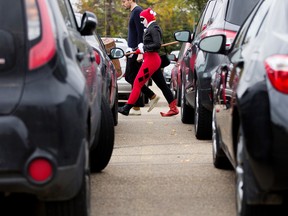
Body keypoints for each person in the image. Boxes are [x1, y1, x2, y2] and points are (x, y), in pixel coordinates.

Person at [118, 8, 179, 117]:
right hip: (151, 60)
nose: (141, 22)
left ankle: (127, 108)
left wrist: (143, 48)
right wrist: (136, 49)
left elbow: (157, 45)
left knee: (137, 83)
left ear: (147, 18)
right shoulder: (150, 28)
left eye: (142, 19)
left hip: (151, 61)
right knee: (162, 85)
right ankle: (173, 108)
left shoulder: (154, 28)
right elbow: (148, 45)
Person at [121, 0, 160, 115]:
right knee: (131, 78)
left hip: (137, 50)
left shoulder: (138, 11)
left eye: (124, 1)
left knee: (132, 78)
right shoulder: (134, 12)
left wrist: (140, 52)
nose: (123, 3)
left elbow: (140, 33)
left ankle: (146, 100)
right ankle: (138, 105)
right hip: (132, 50)